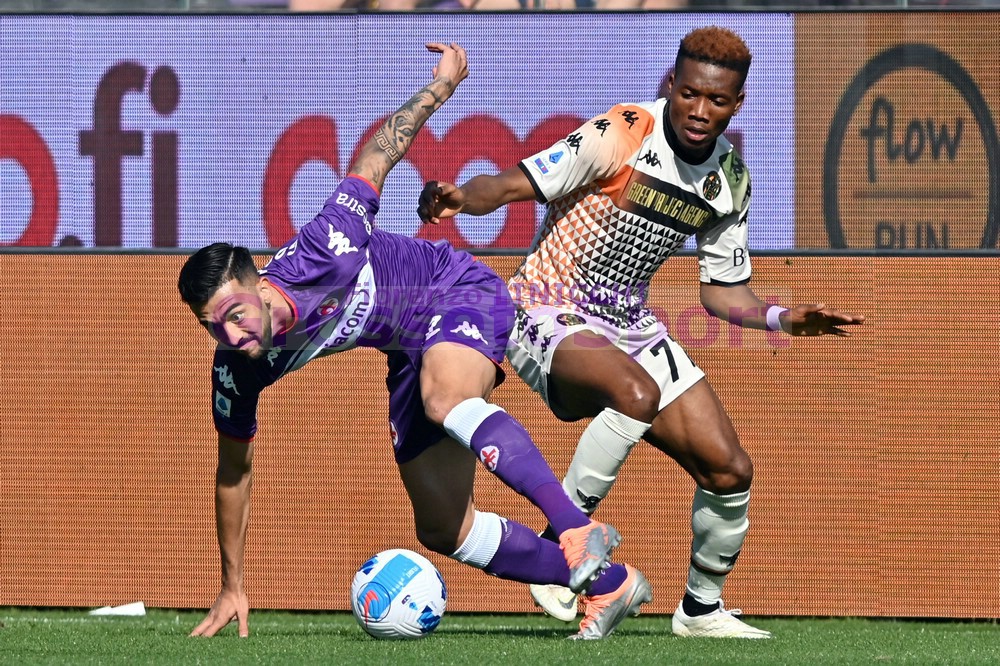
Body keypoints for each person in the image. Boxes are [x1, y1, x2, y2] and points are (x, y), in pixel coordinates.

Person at [178, 43, 651, 641]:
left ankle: (575, 528)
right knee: (444, 527)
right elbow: (233, 473)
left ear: (257, 282)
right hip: (408, 350)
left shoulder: (325, 247)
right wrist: (232, 584)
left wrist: (441, 86)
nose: (230, 334)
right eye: (213, 326)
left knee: (444, 399)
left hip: (455, 288)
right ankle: (611, 584)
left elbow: (379, 153)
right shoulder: (236, 368)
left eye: (235, 314)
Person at [418, 27, 865, 639]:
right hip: (546, 306)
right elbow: (517, 181)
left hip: (630, 324)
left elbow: (722, 292)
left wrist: (782, 319)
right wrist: (463, 197)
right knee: (635, 393)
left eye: (717, 101)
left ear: (737, 104)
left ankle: (700, 611)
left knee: (730, 469)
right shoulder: (623, 131)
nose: (700, 111)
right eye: (690, 94)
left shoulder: (730, 178)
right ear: (672, 85)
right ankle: (565, 547)